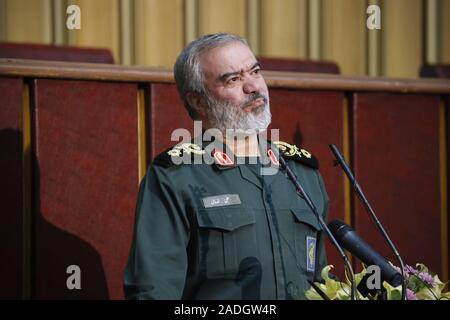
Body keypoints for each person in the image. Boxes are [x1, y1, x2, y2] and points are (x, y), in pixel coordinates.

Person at [123, 33, 329, 300]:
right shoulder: (175, 176)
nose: (252, 86)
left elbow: (321, 281)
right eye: (233, 79)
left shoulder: (302, 173)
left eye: (255, 72)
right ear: (198, 100)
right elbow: (153, 292)